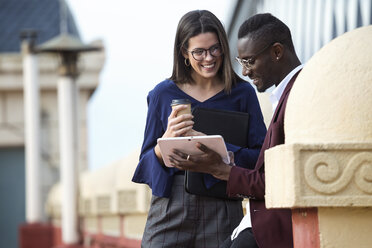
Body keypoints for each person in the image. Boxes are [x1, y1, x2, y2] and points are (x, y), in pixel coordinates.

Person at [131, 10, 267, 248]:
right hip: (171, 205)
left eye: (215, 48)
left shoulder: (242, 93)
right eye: (199, 52)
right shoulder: (162, 94)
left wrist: (221, 148)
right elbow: (145, 163)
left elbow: (262, 158)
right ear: (184, 52)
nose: (209, 58)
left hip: (222, 204)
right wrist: (164, 146)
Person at [169, 13, 303, 248]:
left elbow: (286, 183)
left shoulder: (301, 95)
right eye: (241, 62)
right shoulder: (285, 95)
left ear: (277, 52)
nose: (245, 72)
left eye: (250, 61)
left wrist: (221, 167)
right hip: (250, 222)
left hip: (268, 231)